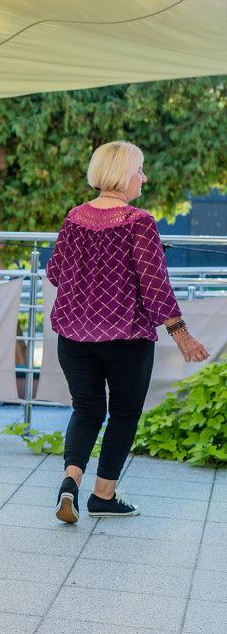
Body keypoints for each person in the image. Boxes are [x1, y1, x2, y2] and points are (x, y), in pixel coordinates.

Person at [47, 140, 209, 524]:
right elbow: (155, 286)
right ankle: (103, 496)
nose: (144, 177)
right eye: (140, 170)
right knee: (122, 414)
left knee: (86, 409)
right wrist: (182, 334)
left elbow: (55, 273)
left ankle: (70, 482)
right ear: (123, 175)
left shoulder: (74, 218)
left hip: (73, 337)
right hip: (125, 338)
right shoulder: (139, 221)